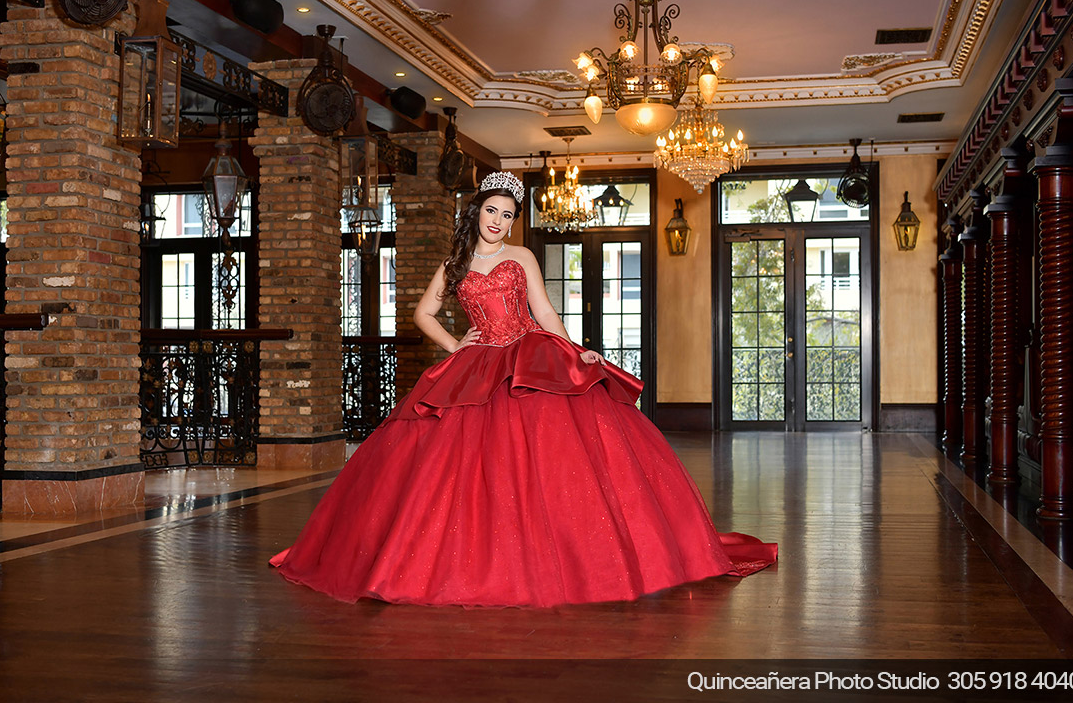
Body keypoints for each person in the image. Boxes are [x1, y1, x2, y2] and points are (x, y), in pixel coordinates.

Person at [270, 172, 776, 607]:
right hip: (477, 363)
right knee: (461, 466)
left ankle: (582, 556)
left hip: (529, 354)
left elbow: (544, 311)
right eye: (492, 211)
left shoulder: (521, 255)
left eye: (508, 215)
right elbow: (422, 314)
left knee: (554, 459)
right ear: (478, 211)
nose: (499, 221)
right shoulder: (453, 265)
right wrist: (455, 345)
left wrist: (574, 349)